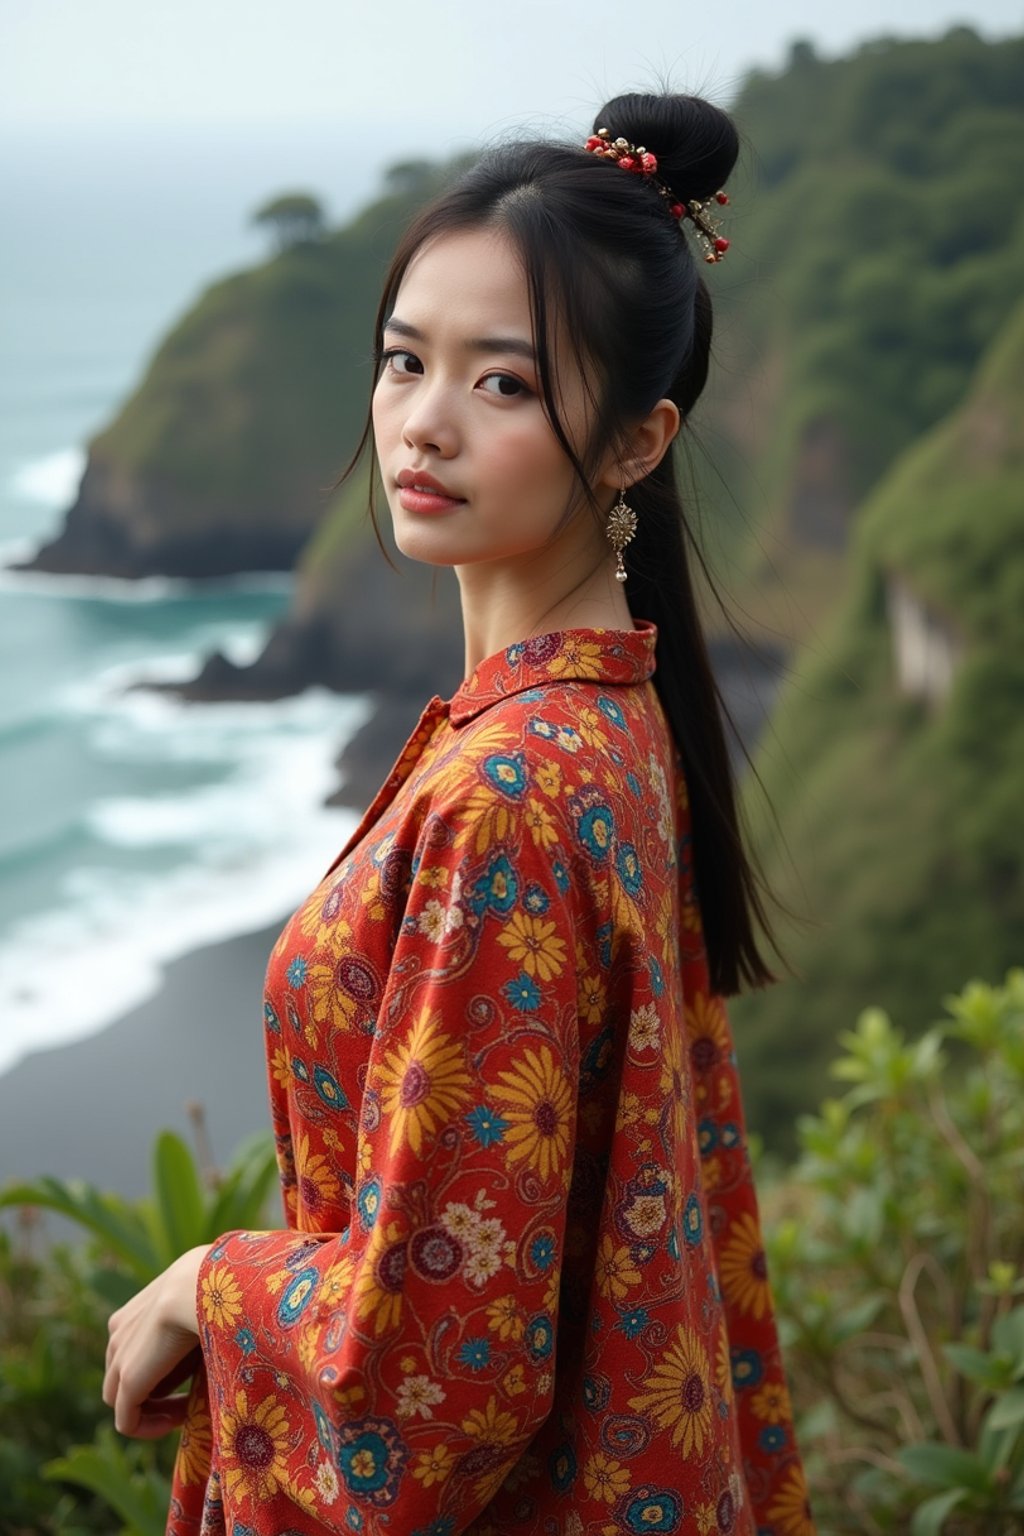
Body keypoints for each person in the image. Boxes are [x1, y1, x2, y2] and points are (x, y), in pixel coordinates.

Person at [104, 90, 816, 1536]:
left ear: (634, 442)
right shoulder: (618, 725)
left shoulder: (506, 796)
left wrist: (205, 1282)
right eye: (404, 360)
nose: (422, 422)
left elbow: (436, 1380)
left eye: (503, 383)